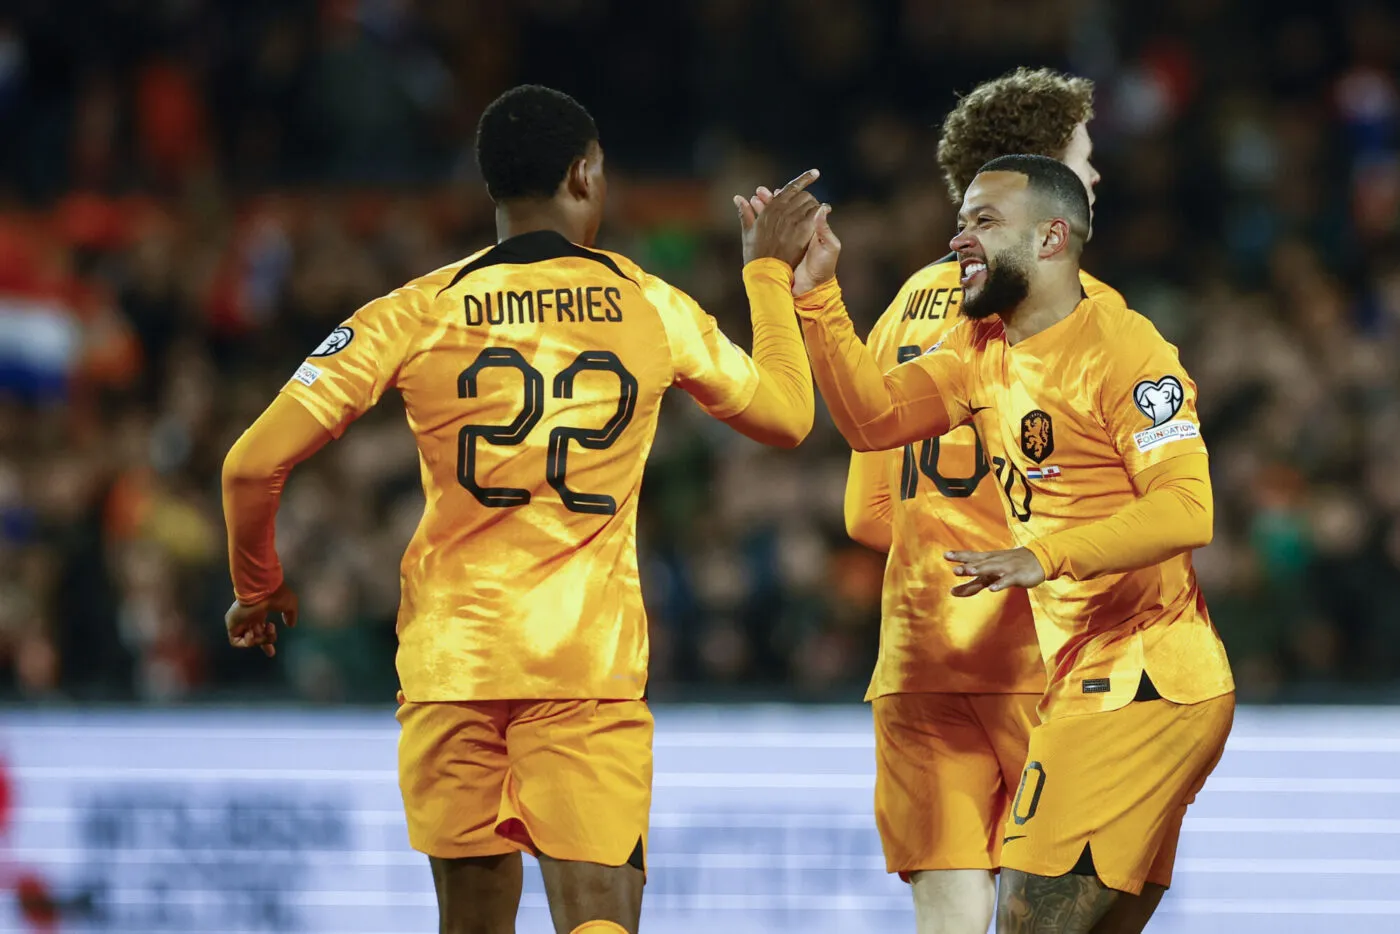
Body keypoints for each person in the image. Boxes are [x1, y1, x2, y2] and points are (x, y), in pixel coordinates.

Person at [220, 84, 824, 934]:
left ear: (493, 186)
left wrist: (258, 586)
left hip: (452, 668)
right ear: (583, 175)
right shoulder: (651, 304)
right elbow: (789, 416)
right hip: (583, 668)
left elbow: (250, 466)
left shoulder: (416, 310)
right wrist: (766, 274)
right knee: (598, 918)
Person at [789, 154, 1235, 934]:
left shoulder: (1126, 349)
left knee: (1027, 920)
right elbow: (871, 422)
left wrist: (1044, 555)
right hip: (1085, 678)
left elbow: (1189, 510)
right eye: (961, 220)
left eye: (985, 222)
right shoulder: (979, 349)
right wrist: (817, 295)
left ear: (1051, 239)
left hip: (1143, 677)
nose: (959, 238)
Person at [739, 67, 1114, 934]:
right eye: (1083, 157)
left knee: (947, 917)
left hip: (920, 658)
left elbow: (865, 514)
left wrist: (942, 547)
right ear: (1045, 179)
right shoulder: (1077, 311)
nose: (1097, 174)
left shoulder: (909, 300)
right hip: (1040, 659)